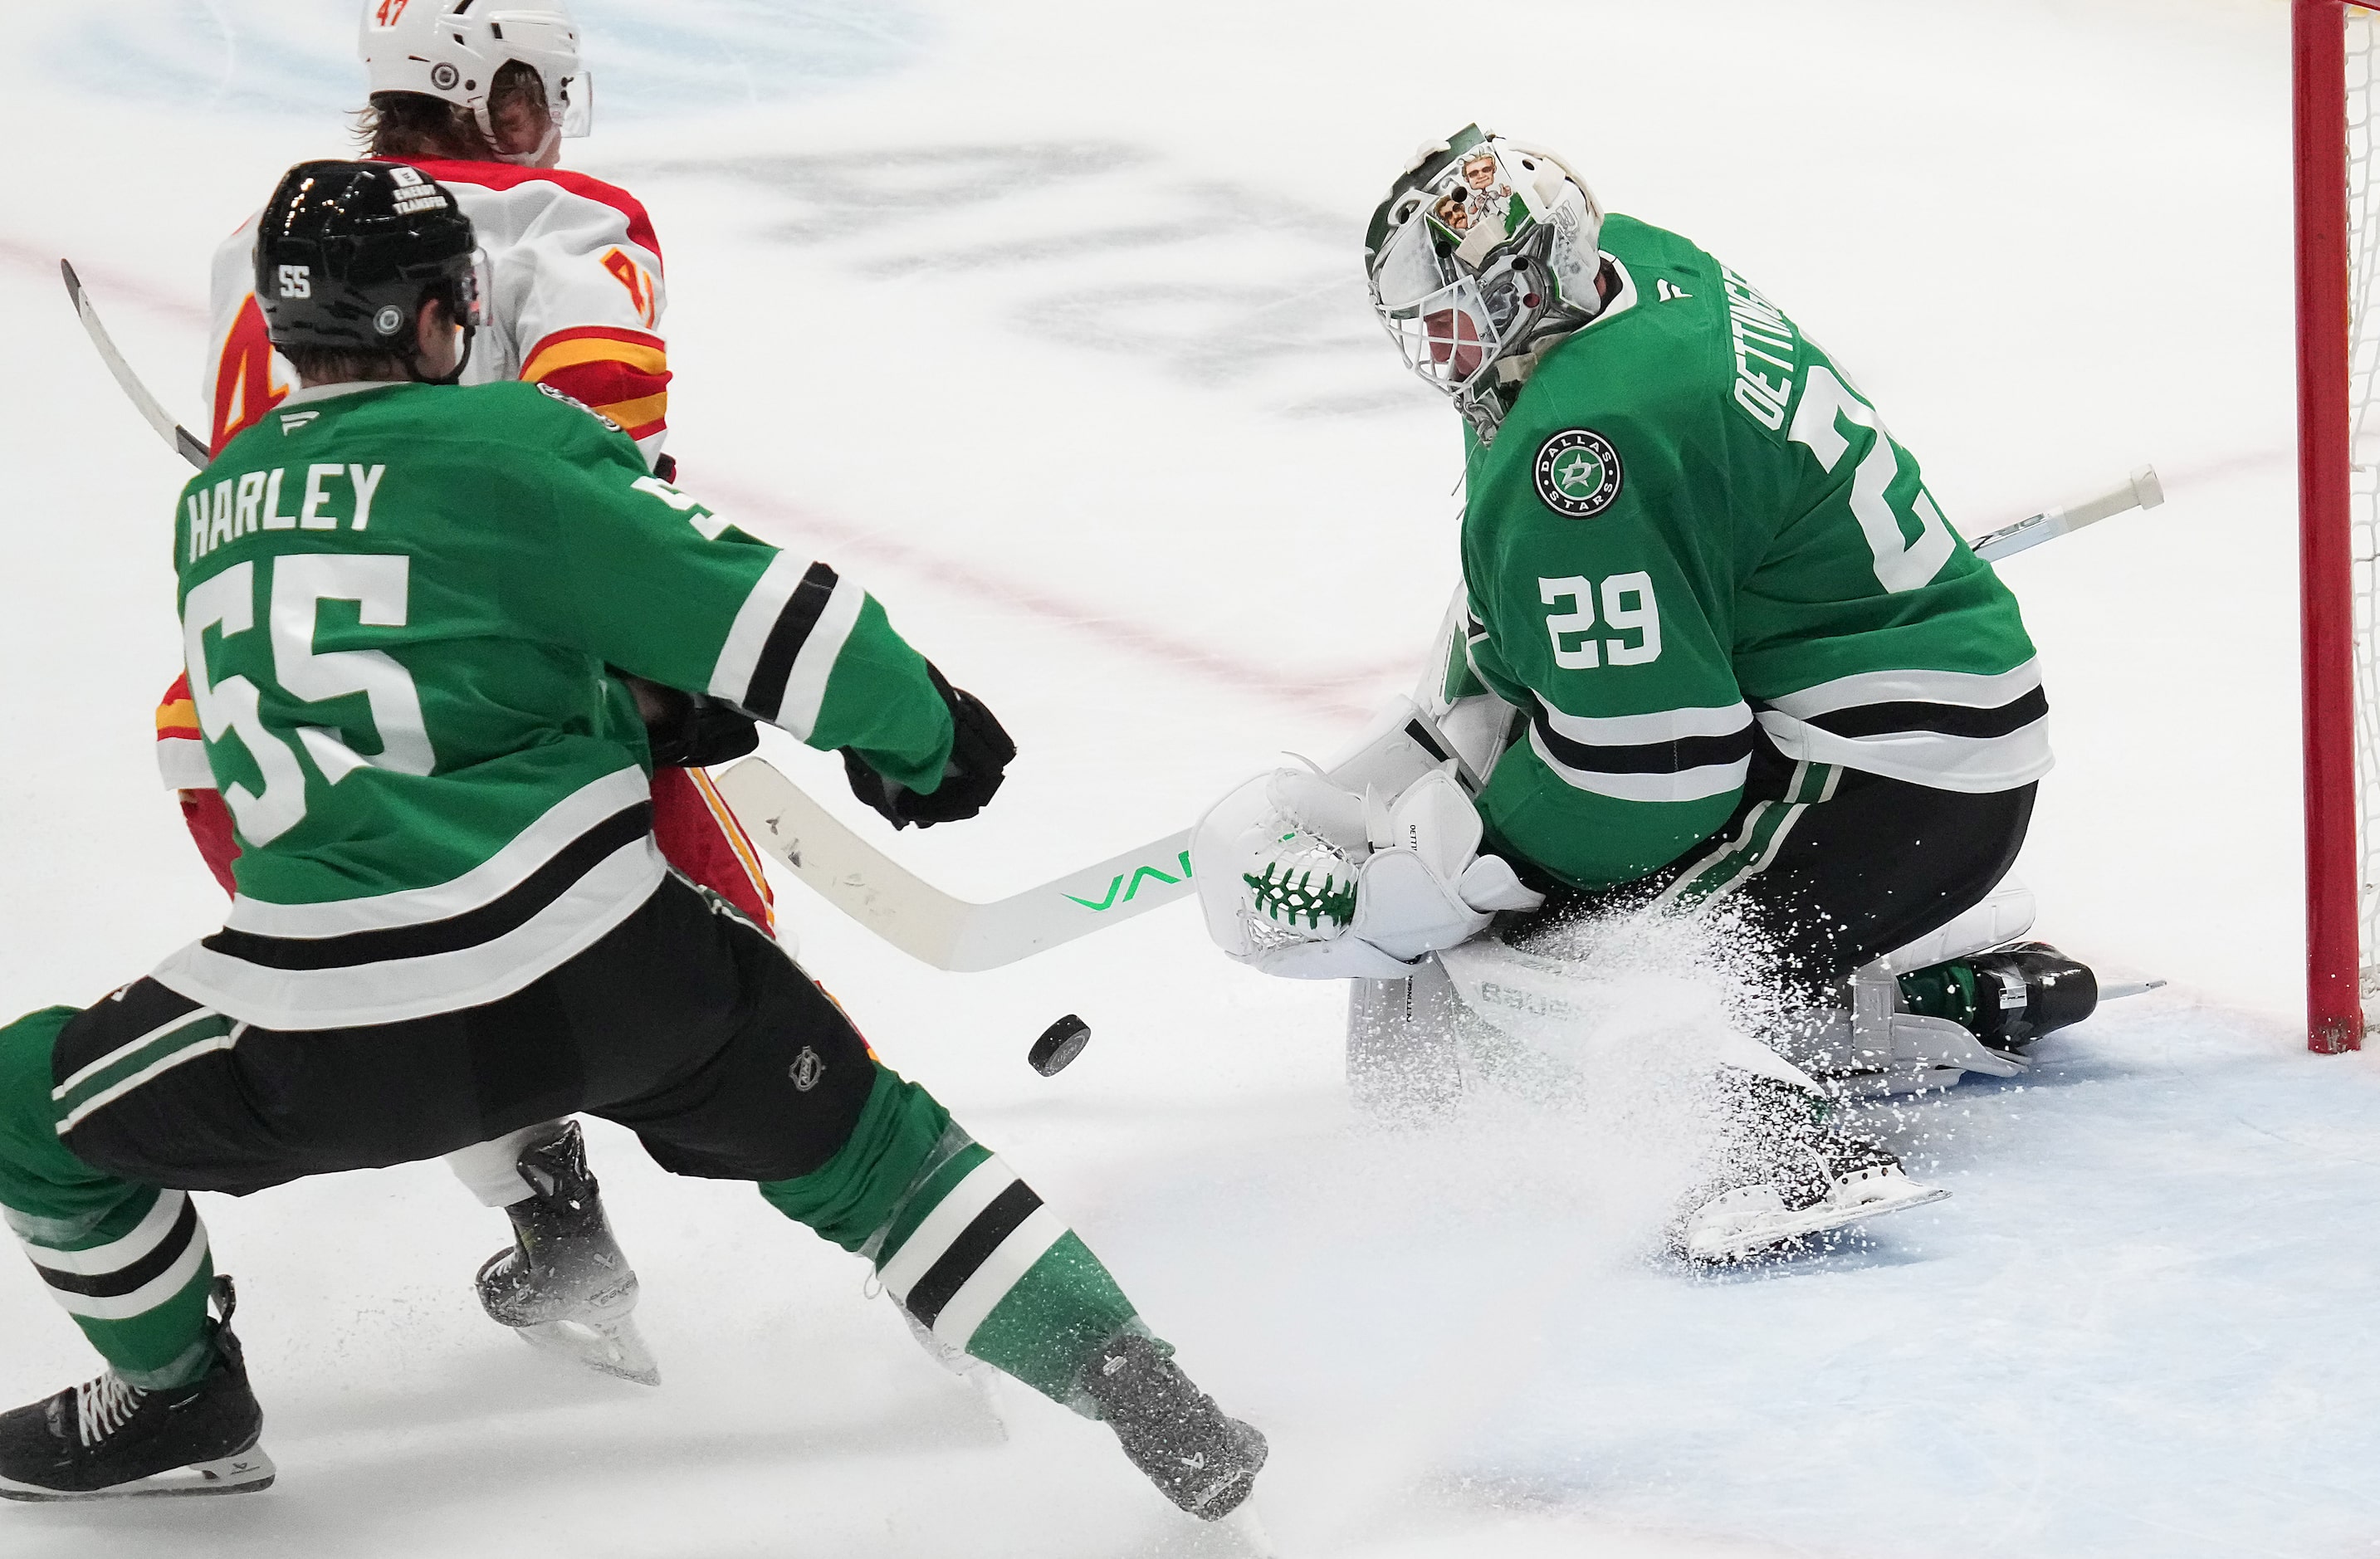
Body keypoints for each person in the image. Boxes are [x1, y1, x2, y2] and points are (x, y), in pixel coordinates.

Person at [0, 162, 1267, 1517]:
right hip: (613, 968)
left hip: (329, 1028)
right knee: (881, 1158)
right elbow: (776, 613)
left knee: (28, 1102)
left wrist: (614, 708)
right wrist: (921, 733)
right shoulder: (507, 445)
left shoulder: (210, 512)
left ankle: (187, 1390)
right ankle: (1143, 1387)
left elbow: (292, 749)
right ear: (436, 319)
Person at [1193, 126, 2099, 1259]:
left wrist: (1480, 858)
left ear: (1526, 285)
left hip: (1880, 782)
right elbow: (1610, 599)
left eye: (1455, 317)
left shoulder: (1582, 447)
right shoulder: (1629, 269)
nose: (1442, 350)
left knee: (1544, 968)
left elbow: (1662, 775)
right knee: (1551, 940)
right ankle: (1925, 987)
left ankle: (1768, 1147)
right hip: (1908, 744)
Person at [153, 0, 770, 1377]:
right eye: (534, 91)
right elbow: (607, 434)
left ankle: (548, 1213)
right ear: (490, 98)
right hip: (508, 706)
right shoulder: (559, 214)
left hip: (263, 735)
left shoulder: (262, 248)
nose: (547, 115)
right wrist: (665, 657)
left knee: (403, 972)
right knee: (734, 967)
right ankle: (912, 1235)